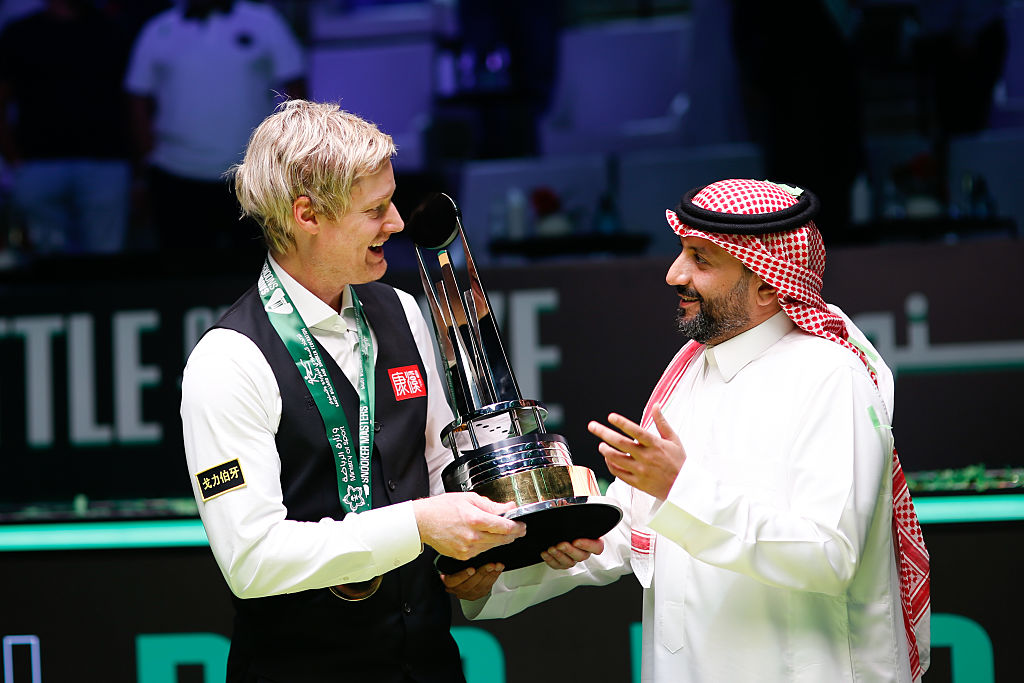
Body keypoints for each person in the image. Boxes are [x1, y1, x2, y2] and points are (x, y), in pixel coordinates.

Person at [445, 178, 931, 682]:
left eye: (701, 259)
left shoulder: (831, 377)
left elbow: (829, 555)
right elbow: (634, 529)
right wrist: (500, 574)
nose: (674, 274)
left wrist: (678, 487)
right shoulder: (690, 371)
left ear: (768, 285)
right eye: (681, 252)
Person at [180, 99, 526, 682]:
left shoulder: (402, 310)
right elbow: (251, 560)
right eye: (375, 209)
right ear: (308, 215)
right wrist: (418, 525)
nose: (397, 223)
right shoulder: (228, 360)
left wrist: (485, 553)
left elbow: (437, 466)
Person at [125, 0, 305, 256]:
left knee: (256, 270)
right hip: (174, 174)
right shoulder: (158, 29)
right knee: (181, 270)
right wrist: (146, 165)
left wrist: (291, 160)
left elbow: (296, 93)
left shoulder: (265, 21)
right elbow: (137, 99)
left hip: (251, 178)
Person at [0, 0, 133, 256]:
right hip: (36, 163)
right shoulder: (20, 32)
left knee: (105, 259)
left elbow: (133, 100)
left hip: (105, 162)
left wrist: (137, 170)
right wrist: (13, 158)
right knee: (46, 260)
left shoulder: (114, 29)